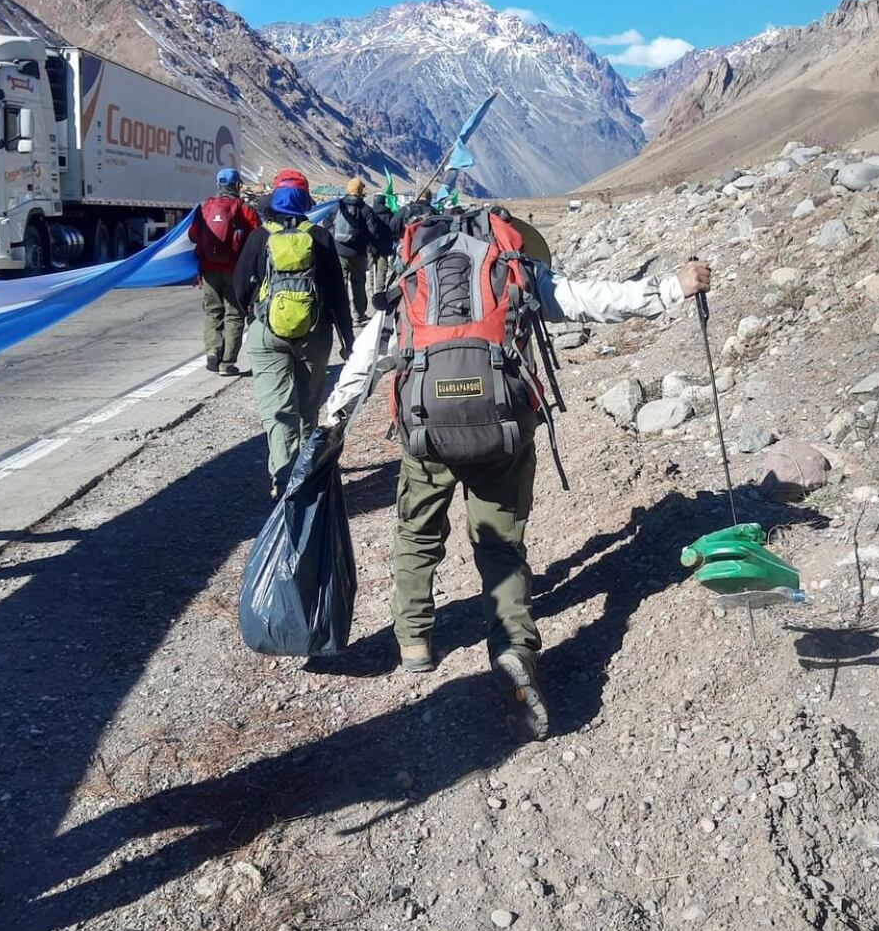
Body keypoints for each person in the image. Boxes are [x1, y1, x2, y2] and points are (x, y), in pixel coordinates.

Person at [326, 206, 711, 742]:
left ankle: (414, 639)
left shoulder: (413, 277)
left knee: (416, 531)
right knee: (502, 547)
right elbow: (595, 300)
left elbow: (369, 356)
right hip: (502, 428)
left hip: (425, 430)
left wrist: (334, 420)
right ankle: (513, 648)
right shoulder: (515, 268)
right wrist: (672, 287)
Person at [235, 180, 354, 499]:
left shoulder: (260, 237)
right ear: (305, 205)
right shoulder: (320, 237)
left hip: (267, 332)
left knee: (277, 408)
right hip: (313, 333)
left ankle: (283, 476)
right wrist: (348, 338)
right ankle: (304, 471)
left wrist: (254, 317)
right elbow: (337, 295)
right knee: (308, 405)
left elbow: (239, 288)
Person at [188, 167, 261, 375]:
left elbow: (193, 235)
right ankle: (227, 363)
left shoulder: (204, 207)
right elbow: (257, 236)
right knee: (234, 314)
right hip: (234, 270)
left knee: (213, 312)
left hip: (208, 269)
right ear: (237, 185)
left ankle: (212, 351)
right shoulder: (244, 209)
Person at [331, 177, 381, 325]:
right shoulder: (365, 209)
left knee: (341, 283)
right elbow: (373, 231)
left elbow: (328, 223)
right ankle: (359, 315)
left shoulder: (338, 206)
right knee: (358, 284)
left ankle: (342, 315)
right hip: (358, 253)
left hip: (339, 251)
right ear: (359, 191)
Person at [369, 192, 395, 301]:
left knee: (372, 267)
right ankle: (379, 291)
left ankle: (372, 288)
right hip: (384, 246)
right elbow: (393, 230)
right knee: (382, 269)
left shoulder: (369, 212)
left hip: (371, 245)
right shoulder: (389, 214)